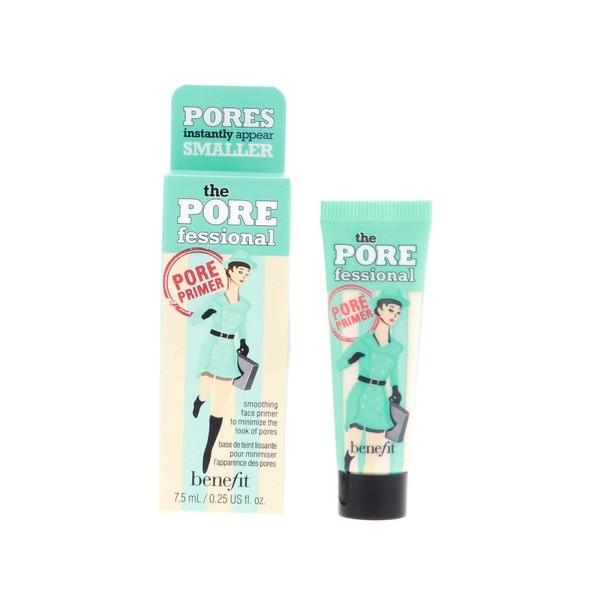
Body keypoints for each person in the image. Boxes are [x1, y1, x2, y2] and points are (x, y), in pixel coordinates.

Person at [189, 251, 256, 473]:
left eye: (246, 273)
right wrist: (206, 313)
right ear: (229, 271)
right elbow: (193, 320)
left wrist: (243, 342)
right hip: (212, 348)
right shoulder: (216, 299)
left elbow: (242, 326)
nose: (243, 276)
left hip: (228, 351)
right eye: (240, 271)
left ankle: (209, 448)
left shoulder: (244, 305)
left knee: (220, 404)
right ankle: (199, 400)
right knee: (205, 390)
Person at [337, 288, 408, 474]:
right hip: (361, 395)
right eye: (390, 310)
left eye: (398, 312)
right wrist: (353, 359)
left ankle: (373, 481)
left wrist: (395, 388)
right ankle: (349, 467)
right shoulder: (365, 341)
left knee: (374, 451)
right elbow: (340, 364)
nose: (394, 315)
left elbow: (393, 370)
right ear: (379, 310)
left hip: (379, 399)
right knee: (353, 445)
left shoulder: (396, 347)